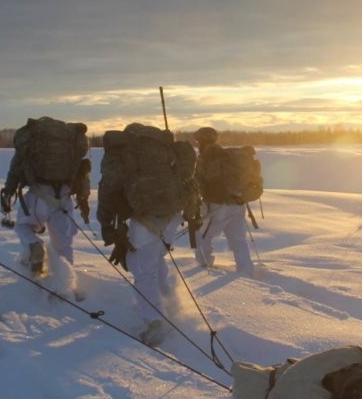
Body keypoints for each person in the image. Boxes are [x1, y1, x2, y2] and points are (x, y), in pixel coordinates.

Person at [98, 123, 199, 345]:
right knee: (154, 259)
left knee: (142, 270)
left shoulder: (121, 150)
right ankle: (169, 301)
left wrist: (105, 221)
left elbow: (108, 187)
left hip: (143, 218)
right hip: (173, 214)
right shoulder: (163, 146)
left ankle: (155, 323)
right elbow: (186, 176)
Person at [0, 117, 91, 277]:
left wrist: (9, 192)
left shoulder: (33, 141)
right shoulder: (71, 143)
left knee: (23, 226)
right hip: (64, 196)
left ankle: (34, 245)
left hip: (38, 194)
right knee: (63, 245)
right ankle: (65, 285)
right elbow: (83, 173)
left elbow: (15, 169)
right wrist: (83, 199)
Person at [191, 126, 256, 277]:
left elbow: (199, 183)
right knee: (238, 239)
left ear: (202, 141)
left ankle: (204, 266)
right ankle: (246, 269)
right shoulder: (228, 156)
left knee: (202, 235)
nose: (197, 145)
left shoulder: (207, 158)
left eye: (198, 142)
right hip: (238, 204)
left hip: (217, 207)